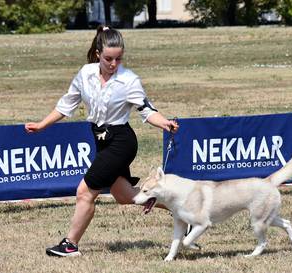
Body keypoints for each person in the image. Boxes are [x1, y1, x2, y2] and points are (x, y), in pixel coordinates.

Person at [25, 25, 178, 257]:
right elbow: (67, 104)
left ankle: (70, 245)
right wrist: (42, 125)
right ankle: (182, 210)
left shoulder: (129, 80)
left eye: (118, 58)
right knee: (125, 196)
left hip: (121, 142)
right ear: (98, 54)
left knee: (85, 192)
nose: (113, 64)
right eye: (108, 58)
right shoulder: (85, 74)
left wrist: (164, 123)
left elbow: (147, 110)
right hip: (101, 140)